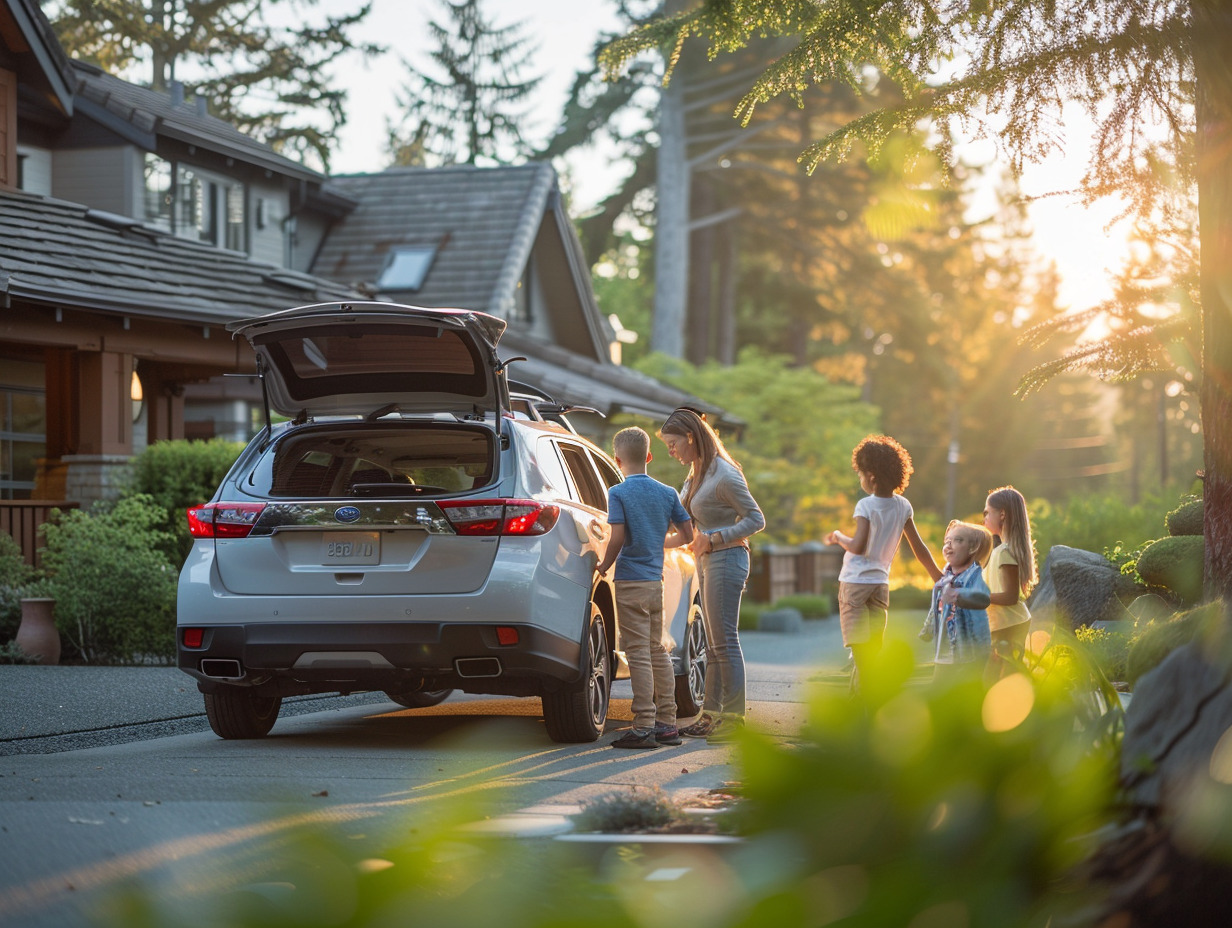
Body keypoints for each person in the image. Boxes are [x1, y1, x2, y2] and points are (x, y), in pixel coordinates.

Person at [658, 408, 765, 742]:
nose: (671, 451)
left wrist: (715, 537)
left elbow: (756, 519)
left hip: (728, 557)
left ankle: (734, 719)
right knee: (714, 644)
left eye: (673, 444)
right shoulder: (697, 472)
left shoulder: (725, 474)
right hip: (708, 560)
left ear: (691, 436)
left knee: (725, 641)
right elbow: (688, 523)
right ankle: (713, 714)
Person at [596, 426, 695, 749]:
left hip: (630, 581)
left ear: (617, 459)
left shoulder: (618, 493)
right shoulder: (667, 493)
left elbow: (618, 537)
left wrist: (603, 566)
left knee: (637, 653)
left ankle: (643, 726)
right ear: (649, 457)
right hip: (655, 582)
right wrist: (660, 544)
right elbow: (688, 535)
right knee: (658, 651)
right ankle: (668, 723)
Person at [824, 435, 940, 693]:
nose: (860, 479)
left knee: (862, 657)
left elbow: (857, 546)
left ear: (872, 476)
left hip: (854, 584)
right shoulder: (903, 506)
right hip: (880, 585)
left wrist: (837, 536)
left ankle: (872, 708)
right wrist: (938, 576)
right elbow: (919, 548)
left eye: (861, 474)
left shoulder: (865, 505)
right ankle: (859, 711)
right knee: (871, 653)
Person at [919, 521, 993, 680]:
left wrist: (958, 595)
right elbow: (937, 606)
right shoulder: (946, 577)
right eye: (947, 541)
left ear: (973, 548)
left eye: (958, 541)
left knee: (963, 692)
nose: (949, 546)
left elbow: (983, 598)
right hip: (945, 646)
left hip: (968, 650)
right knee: (940, 691)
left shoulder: (975, 575)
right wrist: (929, 628)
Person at [982, 485, 1038, 680]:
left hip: (1010, 623)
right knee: (995, 678)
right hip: (1001, 623)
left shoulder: (1005, 553)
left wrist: (977, 597)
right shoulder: (999, 550)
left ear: (1003, 514)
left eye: (987, 512)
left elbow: (1010, 596)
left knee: (1001, 679)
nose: (984, 518)